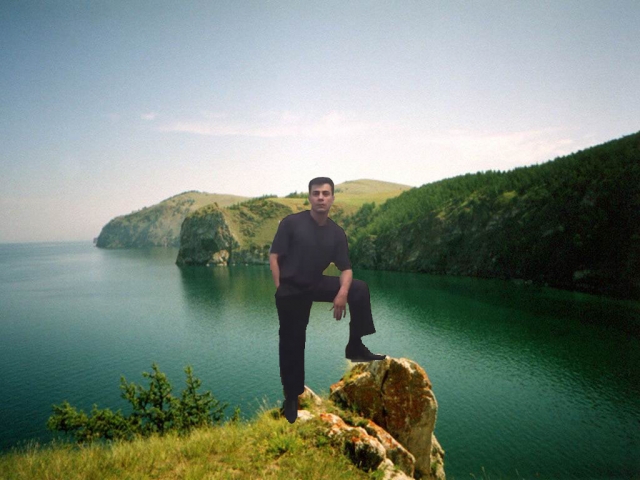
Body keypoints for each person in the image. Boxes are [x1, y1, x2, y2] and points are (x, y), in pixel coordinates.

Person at [269, 176, 386, 424]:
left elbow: (346, 269)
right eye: (316, 193)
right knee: (293, 340)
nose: (320, 198)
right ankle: (292, 396)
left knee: (358, 289)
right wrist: (280, 288)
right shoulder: (292, 223)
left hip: (315, 283)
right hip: (291, 289)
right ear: (309, 197)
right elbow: (274, 257)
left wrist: (342, 292)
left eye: (325, 193)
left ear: (332, 198)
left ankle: (355, 346)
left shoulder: (336, 233)